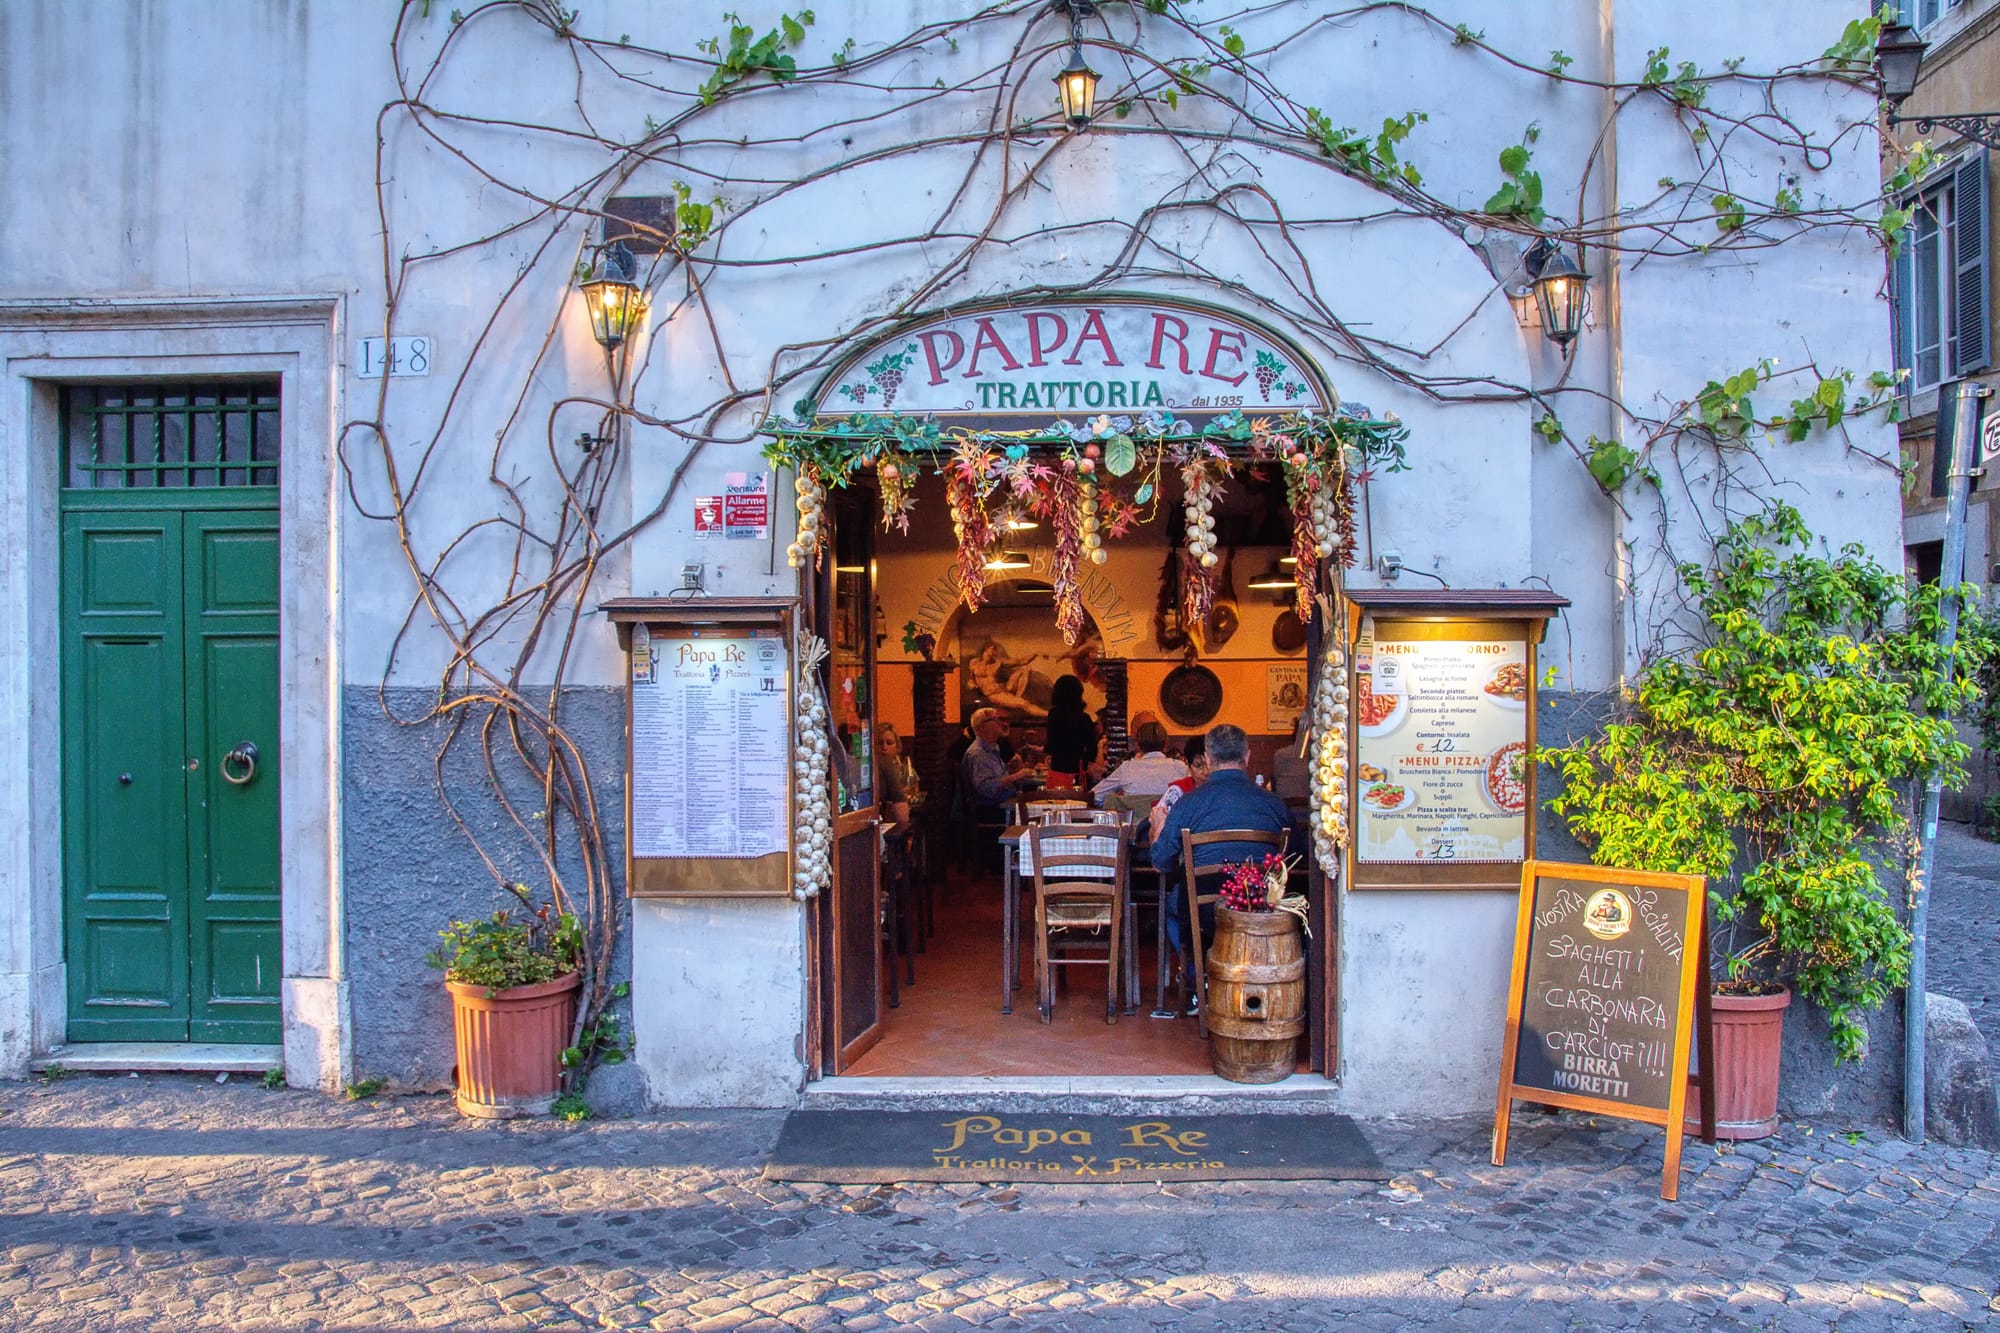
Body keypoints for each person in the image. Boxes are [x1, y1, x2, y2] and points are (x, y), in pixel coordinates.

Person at [1150, 724, 1292, 1008]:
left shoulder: (1188, 805)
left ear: (1209, 758)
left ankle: (1198, 980)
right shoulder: (1275, 805)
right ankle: (1262, 977)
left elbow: (1160, 862)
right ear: (1248, 757)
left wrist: (1157, 827)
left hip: (1203, 909)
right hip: (1262, 906)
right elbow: (1296, 856)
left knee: (1172, 908)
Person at [960, 706, 1038, 817]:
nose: (1002, 723)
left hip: (1004, 801)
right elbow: (986, 789)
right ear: (982, 726)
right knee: (1038, 809)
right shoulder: (978, 753)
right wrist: (1016, 776)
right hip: (993, 809)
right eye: (997, 719)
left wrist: (1009, 770)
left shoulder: (992, 747)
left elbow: (995, 778)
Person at [1093, 719, 1188, 803]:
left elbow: (1096, 795)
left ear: (1137, 745)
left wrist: (1116, 800)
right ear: (1166, 743)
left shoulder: (1127, 768)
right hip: (1169, 822)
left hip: (1134, 822)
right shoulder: (1180, 767)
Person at [1041, 674, 1096, 789]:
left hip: (1058, 768)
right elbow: (1092, 749)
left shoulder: (1053, 715)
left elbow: (1051, 745)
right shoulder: (1084, 718)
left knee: (1055, 804)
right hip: (1078, 771)